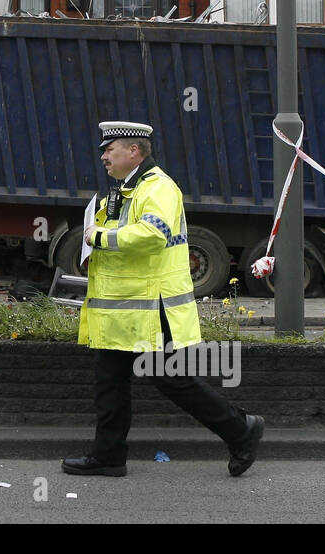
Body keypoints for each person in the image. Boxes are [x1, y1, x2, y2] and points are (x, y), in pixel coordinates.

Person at [62, 121, 264, 478]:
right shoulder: (126, 189)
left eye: (110, 150)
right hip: (125, 309)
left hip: (152, 309)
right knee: (109, 381)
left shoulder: (158, 187)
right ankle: (108, 456)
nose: (104, 157)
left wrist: (99, 239)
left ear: (134, 152)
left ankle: (241, 429)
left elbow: (153, 234)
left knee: (172, 379)